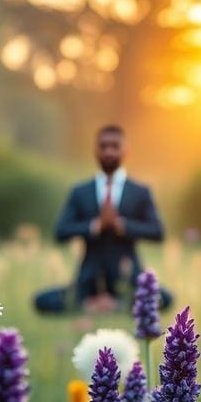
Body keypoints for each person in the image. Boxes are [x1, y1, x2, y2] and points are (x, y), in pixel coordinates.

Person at [34, 124, 172, 314]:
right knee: (41, 300)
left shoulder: (140, 191)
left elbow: (158, 232)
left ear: (126, 150)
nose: (109, 151)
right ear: (95, 150)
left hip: (128, 278)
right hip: (89, 280)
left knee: (164, 298)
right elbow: (60, 232)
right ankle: (100, 304)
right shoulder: (81, 191)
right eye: (103, 146)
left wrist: (122, 225)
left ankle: (113, 304)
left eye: (115, 146)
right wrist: (94, 226)